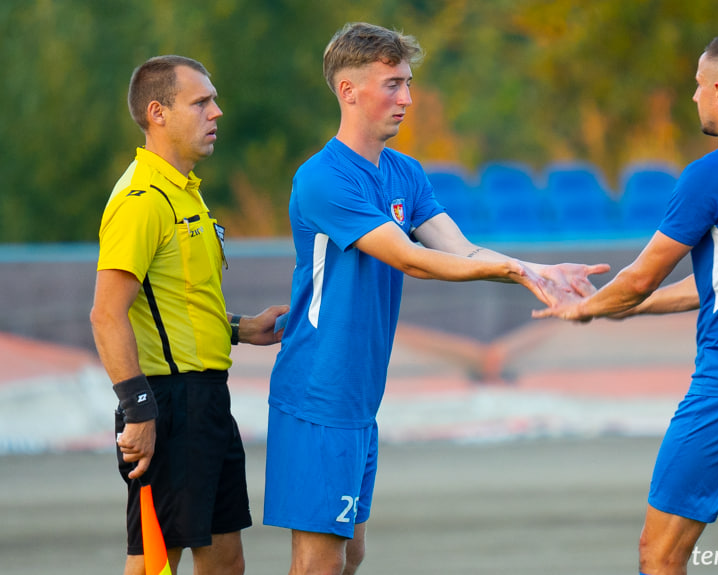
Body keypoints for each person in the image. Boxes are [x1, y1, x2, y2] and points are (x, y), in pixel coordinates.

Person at [263, 22, 609, 575]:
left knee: (351, 553)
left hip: (359, 395)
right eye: (393, 84)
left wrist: (536, 272)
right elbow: (412, 259)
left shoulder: (405, 172)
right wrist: (519, 269)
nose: (407, 98)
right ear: (349, 91)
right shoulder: (323, 177)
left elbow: (461, 250)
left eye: (408, 83)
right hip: (318, 390)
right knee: (319, 563)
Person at [535, 33, 718, 575]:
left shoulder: (711, 173)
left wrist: (588, 307)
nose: (692, 97)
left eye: (696, 86)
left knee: (660, 554)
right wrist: (627, 308)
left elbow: (643, 274)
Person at [90, 55, 289, 575]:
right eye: (201, 102)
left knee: (225, 563)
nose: (217, 112)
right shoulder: (142, 199)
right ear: (158, 112)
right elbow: (106, 315)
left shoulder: (186, 195)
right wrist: (138, 411)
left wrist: (242, 329)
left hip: (206, 399)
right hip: (166, 403)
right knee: (154, 563)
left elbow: (172, 305)